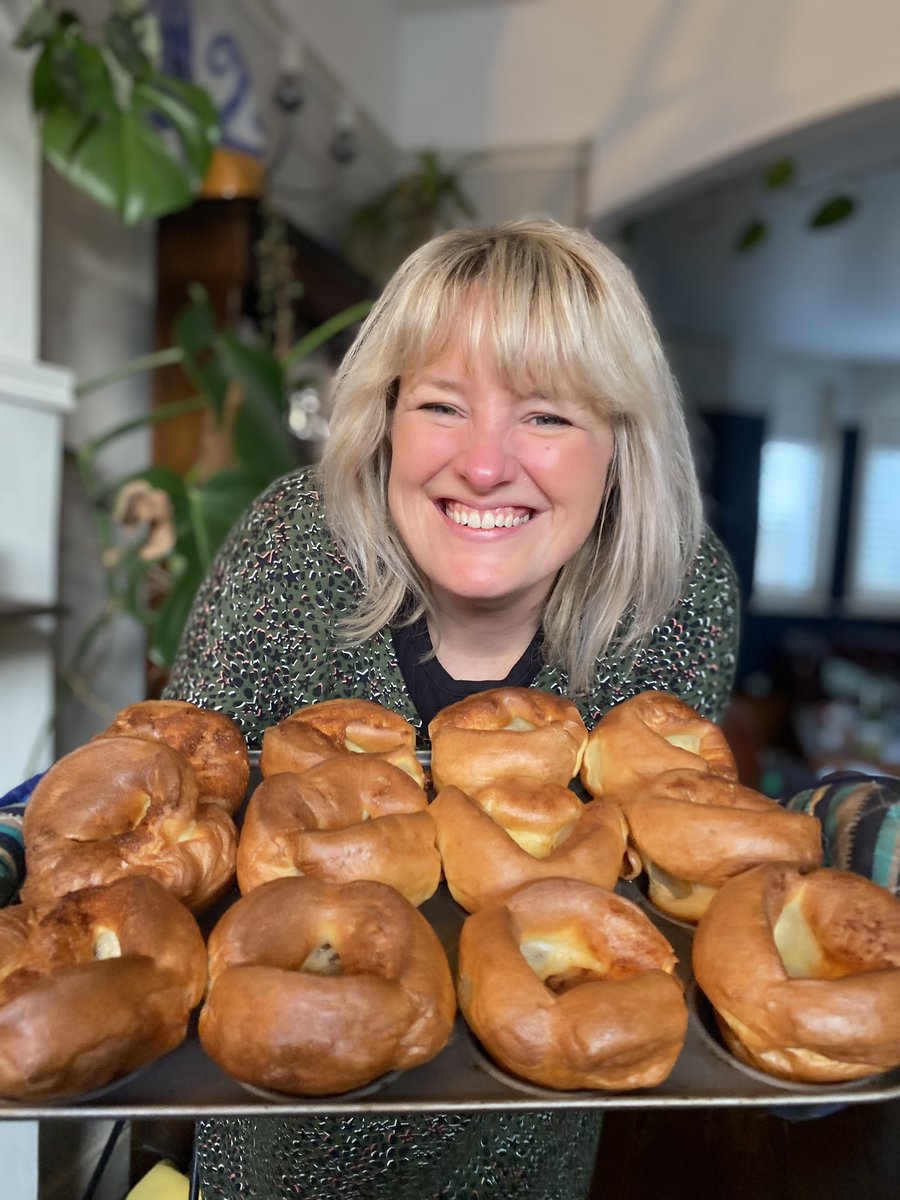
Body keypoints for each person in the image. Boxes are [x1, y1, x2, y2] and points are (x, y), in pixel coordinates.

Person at [165, 218, 740, 1200]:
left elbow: (661, 907)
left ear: (620, 447)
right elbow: (183, 797)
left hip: (532, 1153)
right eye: (442, 404)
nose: (482, 466)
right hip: (271, 1152)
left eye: (547, 418)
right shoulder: (292, 547)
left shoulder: (672, 599)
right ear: (386, 416)